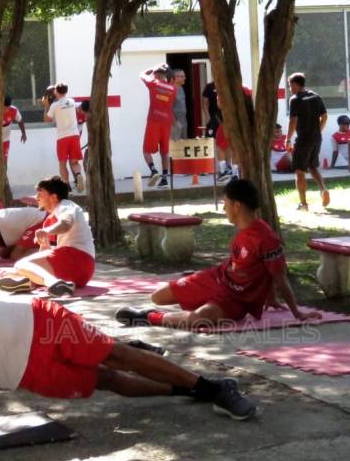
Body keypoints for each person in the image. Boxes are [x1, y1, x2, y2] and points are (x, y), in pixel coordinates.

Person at [0, 215, 256, 461]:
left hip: (39, 320)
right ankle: (187, 389)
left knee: (118, 355)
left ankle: (211, 387)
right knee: (106, 381)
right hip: (27, 372)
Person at [116, 179, 321, 330]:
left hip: (236, 299)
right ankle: (196, 301)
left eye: (225, 203)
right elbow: (261, 269)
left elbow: (278, 275)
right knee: (158, 296)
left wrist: (297, 313)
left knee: (197, 320)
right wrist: (271, 297)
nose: (223, 208)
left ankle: (149, 318)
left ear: (237, 205)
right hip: (217, 278)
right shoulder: (244, 229)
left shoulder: (266, 238)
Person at [0, 176, 94, 297]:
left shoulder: (66, 205)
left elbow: (66, 223)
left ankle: (53, 283)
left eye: (40, 193)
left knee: (20, 265)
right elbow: (45, 254)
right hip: (76, 271)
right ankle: (28, 283)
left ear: (54, 197)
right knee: (10, 273)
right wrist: (44, 242)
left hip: (79, 260)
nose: (36, 198)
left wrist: (46, 231)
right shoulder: (50, 220)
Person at [284, 73, 329, 211]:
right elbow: (325, 116)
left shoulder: (295, 99)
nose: (289, 88)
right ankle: (323, 189)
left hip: (303, 139)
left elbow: (293, 121)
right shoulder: (316, 96)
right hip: (316, 137)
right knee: (312, 165)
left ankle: (303, 204)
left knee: (299, 171)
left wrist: (288, 139)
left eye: (290, 85)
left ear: (296, 84)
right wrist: (318, 131)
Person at [43, 82, 85, 193]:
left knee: (62, 163)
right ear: (66, 91)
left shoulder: (54, 106)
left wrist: (46, 105)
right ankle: (78, 174)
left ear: (56, 91)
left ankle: (66, 186)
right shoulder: (72, 102)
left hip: (62, 137)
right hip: (75, 135)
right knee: (74, 162)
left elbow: (47, 120)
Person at [141, 65, 176, 187]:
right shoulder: (172, 88)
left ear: (156, 74)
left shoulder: (153, 82)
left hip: (154, 119)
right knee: (164, 151)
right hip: (167, 121)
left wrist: (150, 68)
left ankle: (153, 170)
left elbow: (142, 74)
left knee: (146, 150)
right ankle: (165, 178)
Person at [1, 95, 27, 159]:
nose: (6, 110)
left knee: (4, 159)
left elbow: (20, 121)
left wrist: (23, 134)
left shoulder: (14, 110)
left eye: (7, 108)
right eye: (4, 108)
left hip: (5, 139)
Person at [170, 68, 188, 140]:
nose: (185, 78)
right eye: (182, 76)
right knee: (175, 146)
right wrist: (175, 123)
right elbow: (167, 107)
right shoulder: (170, 89)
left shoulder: (181, 88)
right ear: (176, 77)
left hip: (183, 121)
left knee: (183, 145)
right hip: (175, 123)